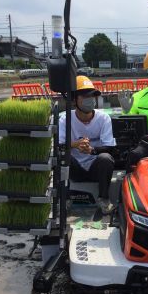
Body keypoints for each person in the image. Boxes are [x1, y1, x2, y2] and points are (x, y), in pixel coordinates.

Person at [59, 75, 116, 214]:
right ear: (74, 100)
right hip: (75, 169)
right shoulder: (65, 119)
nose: (89, 100)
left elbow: (110, 147)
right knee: (62, 157)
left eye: (92, 95)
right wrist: (74, 144)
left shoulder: (103, 118)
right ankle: (65, 200)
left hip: (95, 168)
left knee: (105, 158)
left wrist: (92, 150)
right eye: (84, 96)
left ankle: (104, 199)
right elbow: (58, 145)